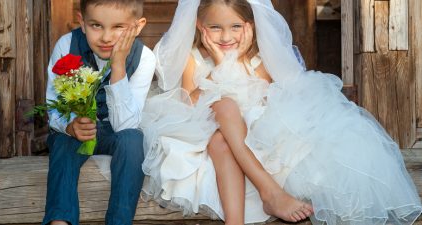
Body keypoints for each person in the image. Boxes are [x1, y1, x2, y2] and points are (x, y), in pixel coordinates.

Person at [139, 0, 422, 224]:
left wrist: (234, 63)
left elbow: (263, 98)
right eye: (215, 27)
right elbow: (188, 101)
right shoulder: (193, 58)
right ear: (200, 26)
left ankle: (246, 211)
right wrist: (219, 63)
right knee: (223, 111)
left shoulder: (257, 59)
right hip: (198, 132)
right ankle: (270, 192)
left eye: (235, 26)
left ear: (249, 26)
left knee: (222, 138)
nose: (225, 36)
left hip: (247, 136)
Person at [41, 0, 155, 225]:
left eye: (118, 27)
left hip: (115, 132)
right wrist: (70, 125)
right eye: (96, 25)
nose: (106, 37)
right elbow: (54, 105)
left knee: (134, 140)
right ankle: (59, 220)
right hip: (76, 132)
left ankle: (119, 221)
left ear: (138, 26)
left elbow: (126, 125)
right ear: (82, 22)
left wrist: (119, 65)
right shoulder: (66, 45)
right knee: (62, 143)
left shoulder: (145, 58)